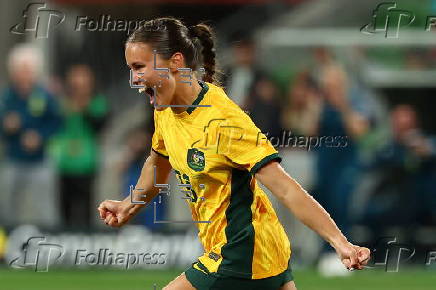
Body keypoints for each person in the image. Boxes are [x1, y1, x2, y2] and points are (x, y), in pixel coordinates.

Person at [97, 17, 370, 290]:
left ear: (175, 62)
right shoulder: (166, 110)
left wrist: (340, 243)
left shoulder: (224, 122)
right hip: (262, 251)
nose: (134, 79)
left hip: (239, 253)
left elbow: (285, 188)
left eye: (139, 67)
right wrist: (128, 204)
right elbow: (158, 162)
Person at [0, 44, 61, 228]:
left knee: (45, 209)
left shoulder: (45, 95)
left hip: (40, 161)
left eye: (28, 69)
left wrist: (40, 137)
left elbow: (56, 122)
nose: (24, 74)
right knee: (8, 207)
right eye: (21, 69)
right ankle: (6, 246)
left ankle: (49, 247)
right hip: (13, 159)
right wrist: (7, 127)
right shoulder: (6, 96)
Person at [51, 64, 109, 229]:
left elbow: (99, 126)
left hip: (86, 163)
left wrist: (84, 107)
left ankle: (84, 242)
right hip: (65, 163)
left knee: (86, 207)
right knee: (65, 209)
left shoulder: (97, 102)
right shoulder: (63, 103)